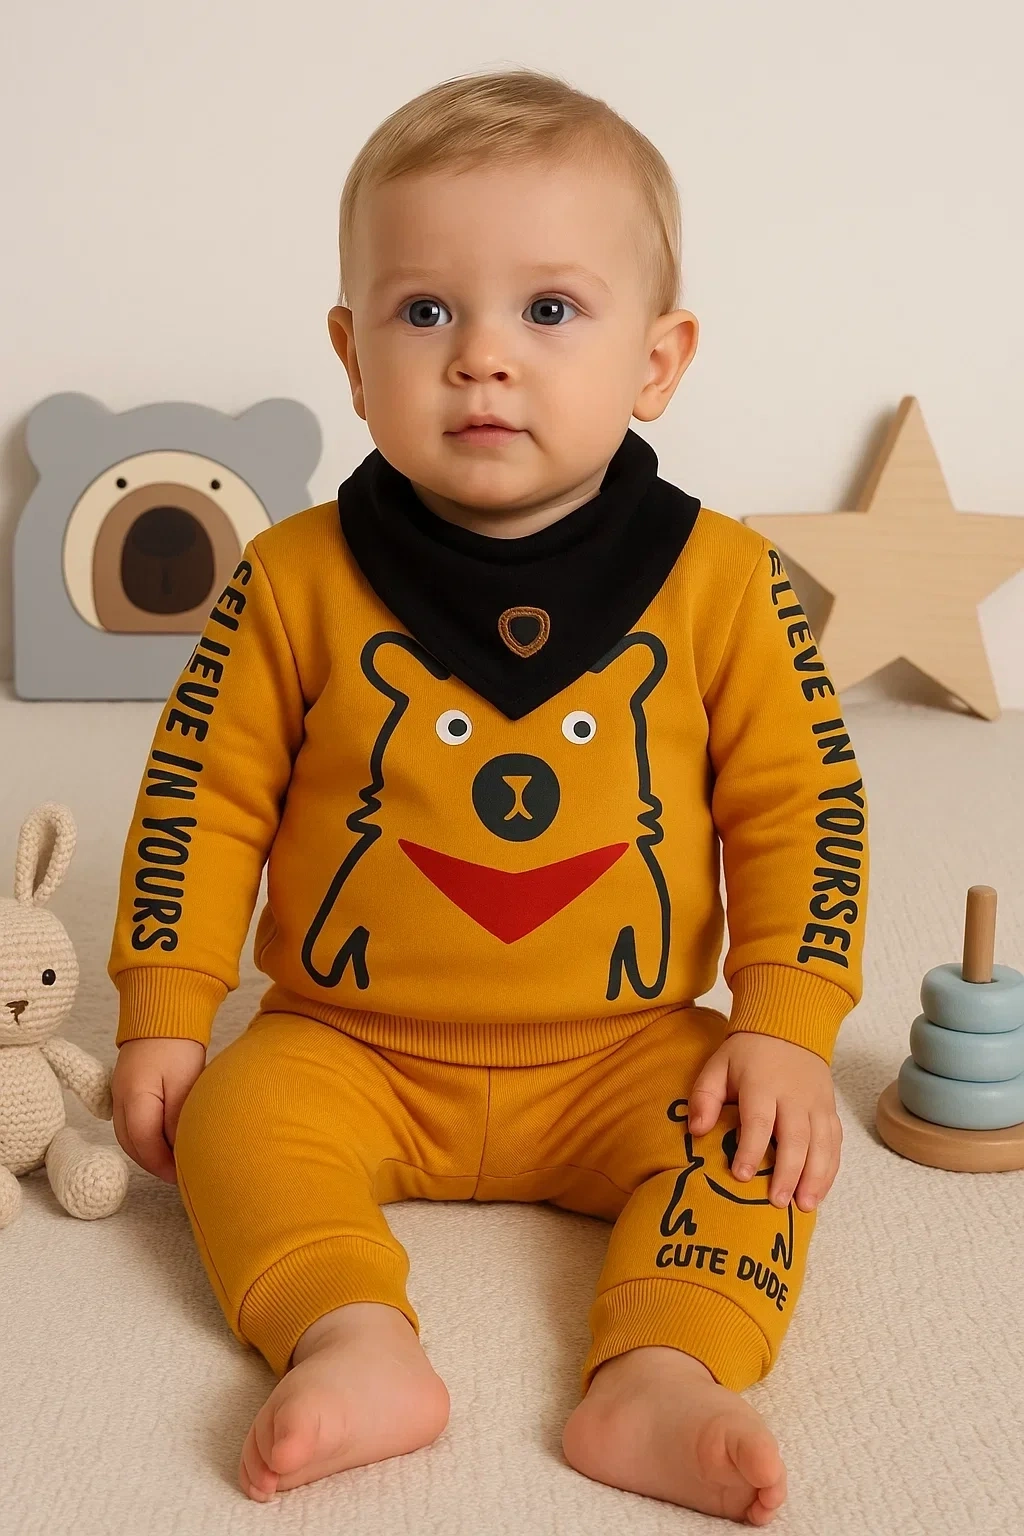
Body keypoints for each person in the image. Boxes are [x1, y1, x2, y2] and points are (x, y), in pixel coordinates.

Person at [108, 66, 868, 1525]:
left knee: (757, 1151)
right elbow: (201, 800)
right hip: (347, 1043)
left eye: (551, 309)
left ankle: (664, 1367)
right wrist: (166, 1005)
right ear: (350, 352)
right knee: (233, 1121)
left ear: (658, 361)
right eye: (425, 312)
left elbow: (803, 810)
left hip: (627, 1049)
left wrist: (786, 1026)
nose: (482, 359)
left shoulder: (728, 585)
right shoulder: (289, 578)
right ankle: (350, 1335)